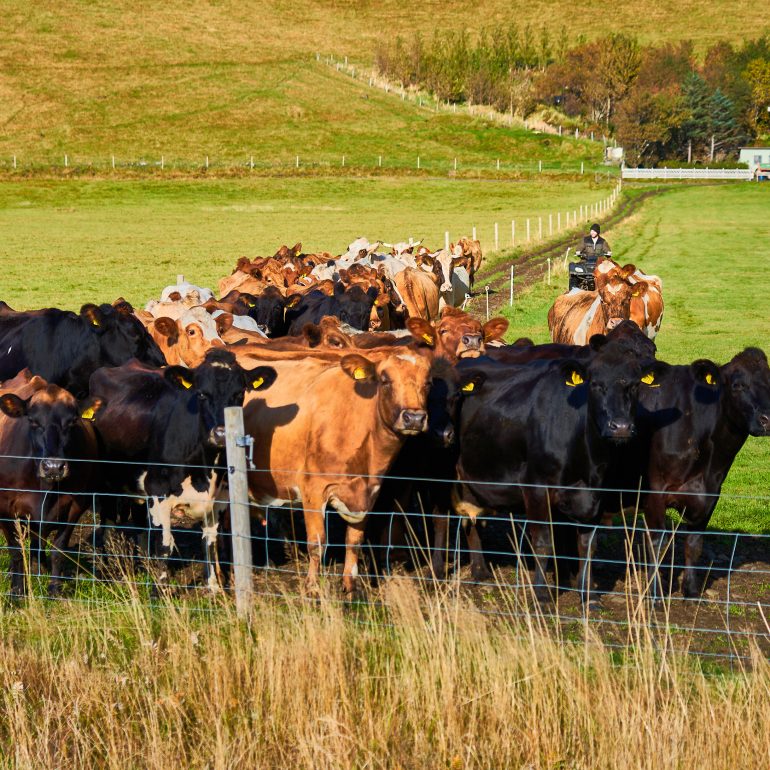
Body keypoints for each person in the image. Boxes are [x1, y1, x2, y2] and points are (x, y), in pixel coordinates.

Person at [568, 223, 611, 290]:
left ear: (598, 232)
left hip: (599, 263)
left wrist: (608, 253)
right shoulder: (585, 240)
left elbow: (607, 250)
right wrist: (578, 252)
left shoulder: (602, 241)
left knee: (610, 273)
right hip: (585, 261)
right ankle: (573, 290)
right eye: (591, 231)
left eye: (594, 231)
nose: (592, 233)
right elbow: (579, 248)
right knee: (575, 273)